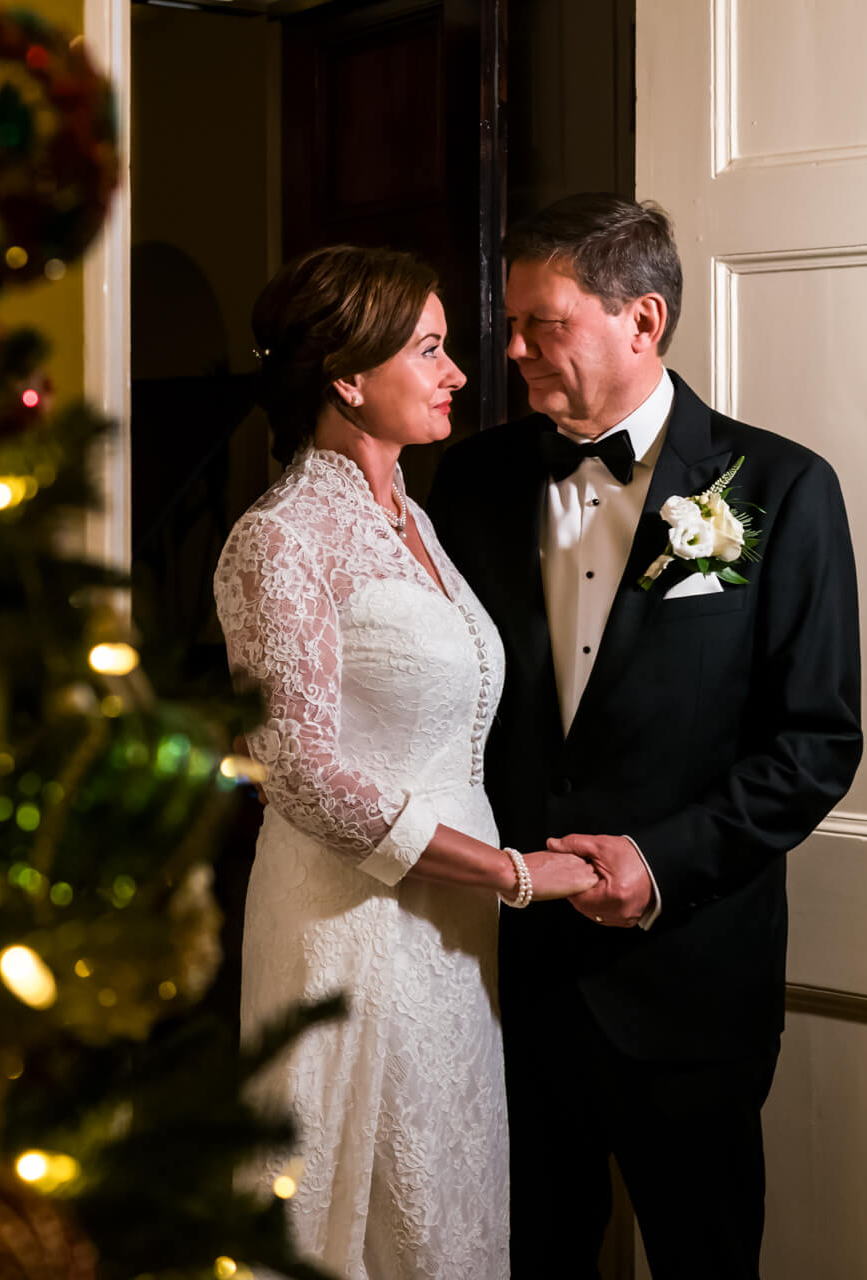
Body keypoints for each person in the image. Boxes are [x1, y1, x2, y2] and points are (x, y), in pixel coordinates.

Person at [425, 193, 864, 1279]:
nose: (512, 350)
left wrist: (659, 864)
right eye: (510, 323)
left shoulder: (781, 488)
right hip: (506, 974)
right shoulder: (470, 481)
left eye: (544, 323)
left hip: (691, 983)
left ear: (643, 320)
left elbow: (815, 741)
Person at [214, 243, 599, 1279]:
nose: (459, 372)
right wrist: (514, 871)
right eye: (430, 348)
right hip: (351, 924)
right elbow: (298, 771)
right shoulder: (280, 537)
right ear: (347, 378)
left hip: (451, 929)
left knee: (446, 1200)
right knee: (362, 1215)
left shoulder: (412, 515)